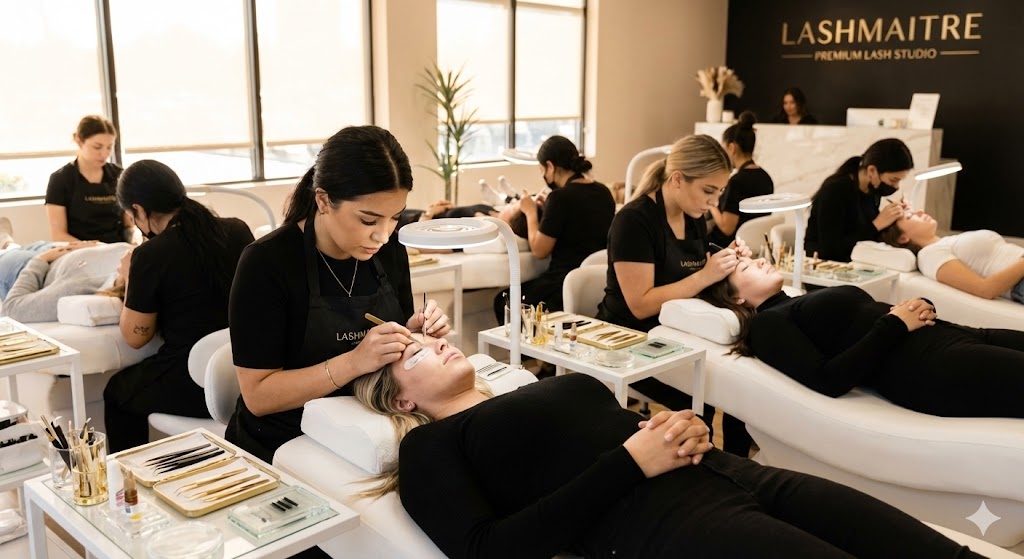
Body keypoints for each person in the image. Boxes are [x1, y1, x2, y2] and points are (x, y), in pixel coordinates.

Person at [350, 334, 988, 559]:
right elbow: (485, 550)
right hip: (669, 522)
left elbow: (621, 428)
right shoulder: (431, 446)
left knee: (933, 551)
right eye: (414, 355)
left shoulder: (529, 387)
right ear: (400, 401)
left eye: (429, 338)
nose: (436, 343)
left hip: (738, 473)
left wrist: (683, 426)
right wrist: (629, 465)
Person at [226, 125, 452, 465]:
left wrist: (413, 332)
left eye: (394, 218)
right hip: (285, 438)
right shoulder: (267, 263)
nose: (383, 235)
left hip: (365, 426)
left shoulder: (389, 251)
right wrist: (353, 362)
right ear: (323, 200)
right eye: (368, 220)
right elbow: (258, 396)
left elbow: (392, 353)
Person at [702, 256, 1024, 419]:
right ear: (736, 298)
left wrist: (919, 307)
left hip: (954, 335)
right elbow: (828, 379)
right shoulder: (766, 325)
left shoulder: (797, 301)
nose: (760, 260)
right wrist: (895, 323)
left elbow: (872, 318)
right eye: (746, 267)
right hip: (930, 366)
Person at [597, 134, 752, 456]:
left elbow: (699, 276)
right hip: (630, 338)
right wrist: (704, 275)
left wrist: (729, 262)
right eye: (708, 191)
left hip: (676, 330)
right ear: (678, 179)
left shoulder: (693, 217)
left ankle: (737, 466)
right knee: (700, 402)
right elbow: (641, 305)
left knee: (740, 389)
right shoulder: (634, 221)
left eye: (720, 192)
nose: (714, 203)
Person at [104, 160, 254, 452]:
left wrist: (130, 276)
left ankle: (128, 478)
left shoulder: (150, 255)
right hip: (248, 374)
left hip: (196, 383)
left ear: (139, 210)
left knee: (118, 392)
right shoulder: (237, 230)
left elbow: (135, 337)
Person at [492, 135, 614, 323]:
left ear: (550, 166)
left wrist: (530, 212)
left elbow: (539, 250)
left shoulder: (559, 198)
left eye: (542, 170)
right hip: (598, 281)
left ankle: (525, 344)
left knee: (503, 301)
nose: (543, 176)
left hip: (562, 282)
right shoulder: (604, 191)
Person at [805, 138, 914, 262]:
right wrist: (876, 225)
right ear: (872, 170)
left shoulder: (872, 191)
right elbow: (830, 248)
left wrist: (894, 217)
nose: (896, 186)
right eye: (893, 180)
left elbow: (867, 234)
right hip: (824, 265)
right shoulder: (835, 190)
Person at [880, 210, 1024, 303]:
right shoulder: (929, 255)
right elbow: (985, 289)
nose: (919, 212)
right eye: (910, 216)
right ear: (902, 238)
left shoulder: (947, 241)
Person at [45, 116, 131, 243]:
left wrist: (135, 239)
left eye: (109, 147)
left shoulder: (119, 175)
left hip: (118, 247)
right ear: (79, 141)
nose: (104, 154)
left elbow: (129, 226)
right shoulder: (60, 179)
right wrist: (95, 248)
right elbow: (59, 235)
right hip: (79, 250)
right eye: (97, 147)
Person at [1, 240, 129, 322]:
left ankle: (8, 247)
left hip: (26, 267)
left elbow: (11, 308)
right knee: (27, 245)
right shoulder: (131, 253)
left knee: (11, 253)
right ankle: (9, 244)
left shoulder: (79, 286)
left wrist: (41, 259)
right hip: (57, 248)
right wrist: (98, 245)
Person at [708, 111, 774, 247]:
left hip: (728, 246)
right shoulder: (766, 178)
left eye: (723, 149)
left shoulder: (737, 182)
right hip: (754, 244)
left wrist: (710, 203)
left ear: (731, 148)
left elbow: (726, 228)